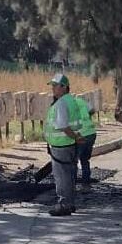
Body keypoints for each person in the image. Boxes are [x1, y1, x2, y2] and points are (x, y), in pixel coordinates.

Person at [43, 74, 85, 216]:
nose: (53, 89)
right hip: (69, 144)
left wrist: (75, 137)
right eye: (52, 86)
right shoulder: (71, 100)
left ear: (64, 87)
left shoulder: (61, 103)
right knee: (70, 175)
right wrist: (76, 138)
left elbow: (63, 126)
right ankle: (70, 203)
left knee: (62, 177)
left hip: (62, 145)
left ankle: (64, 205)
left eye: (55, 86)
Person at [67, 92, 98, 188]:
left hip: (80, 135)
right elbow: (92, 110)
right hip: (91, 133)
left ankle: (72, 185)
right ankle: (86, 183)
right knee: (85, 159)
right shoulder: (81, 101)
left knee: (73, 161)